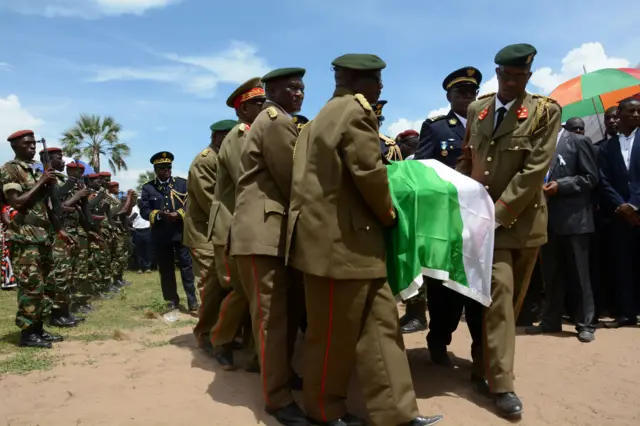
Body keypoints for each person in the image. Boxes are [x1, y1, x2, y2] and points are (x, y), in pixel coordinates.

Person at [287, 53, 443, 426]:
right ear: (358, 82)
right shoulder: (354, 113)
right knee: (332, 337)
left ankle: (397, 413)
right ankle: (324, 412)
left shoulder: (320, 118)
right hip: (339, 246)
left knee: (382, 330)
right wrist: (390, 214)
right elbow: (369, 174)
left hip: (354, 245)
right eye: (377, 80)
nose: (381, 87)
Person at [456, 43, 561, 418]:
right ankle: (502, 385)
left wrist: (499, 212)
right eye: (507, 75)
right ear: (497, 74)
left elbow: (535, 168)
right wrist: (467, 194)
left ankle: (482, 366)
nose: (513, 82)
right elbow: (468, 157)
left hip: (523, 222)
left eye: (521, 76)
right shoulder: (477, 109)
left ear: (528, 77)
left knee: (510, 306)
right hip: (487, 225)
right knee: (498, 297)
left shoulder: (545, 112)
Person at [230, 67, 307, 426]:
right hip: (262, 234)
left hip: (266, 233)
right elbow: (294, 179)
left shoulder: (271, 119)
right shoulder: (276, 121)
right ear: (272, 91)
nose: (299, 93)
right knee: (271, 320)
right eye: (291, 88)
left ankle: (280, 379)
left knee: (278, 316)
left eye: (301, 88)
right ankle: (277, 400)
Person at [208, 78, 265, 369]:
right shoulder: (239, 135)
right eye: (257, 103)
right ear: (242, 109)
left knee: (254, 294)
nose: (264, 106)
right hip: (231, 227)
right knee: (238, 290)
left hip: (246, 225)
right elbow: (248, 176)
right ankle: (220, 341)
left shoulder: (254, 133)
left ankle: (258, 355)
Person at [526, 117, 598, 342]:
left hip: (575, 220)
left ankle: (585, 324)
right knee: (551, 274)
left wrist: (561, 185)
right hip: (545, 221)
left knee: (579, 274)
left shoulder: (578, 141)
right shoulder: (534, 146)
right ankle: (550, 321)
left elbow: (590, 177)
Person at [1, 130, 67, 348]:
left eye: (33, 143)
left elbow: (48, 207)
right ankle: (28, 333)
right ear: (16, 147)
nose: (32, 147)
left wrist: (59, 230)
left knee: (46, 285)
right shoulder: (11, 169)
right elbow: (17, 202)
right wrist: (41, 182)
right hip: (25, 236)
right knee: (31, 286)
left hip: (42, 235)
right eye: (27, 144)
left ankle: (39, 328)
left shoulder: (36, 170)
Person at [185, 118, 235, 351]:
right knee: (208, 285)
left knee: (222, 285)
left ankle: (220, 333)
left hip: (219, 231)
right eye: (229, 136)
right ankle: (205, 336)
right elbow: (210, 202)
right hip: (203, 233)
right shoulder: (205, 161)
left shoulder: (224, 158)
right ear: (218, 137)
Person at [597, 96, 640, 328]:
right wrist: (621, 205)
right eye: (631, 111)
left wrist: (634, 204)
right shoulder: (606, 147)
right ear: (620, 114)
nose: (635, 115)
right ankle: (626, 313)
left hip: (637, 209)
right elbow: (602, 179)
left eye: (638, 112)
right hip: (619, 215)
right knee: (622, 264)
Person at [141, 152, 198, 312]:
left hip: (180, 232)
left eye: (169, 167)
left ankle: (192, 299)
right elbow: (144, 210)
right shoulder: (148, 188)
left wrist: (178, 214)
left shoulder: (181, 184)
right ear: (155, 169)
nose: (167, 170)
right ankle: (172, 299)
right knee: (166, 269)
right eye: (163, 168)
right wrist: (159, 214)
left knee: (186, 267)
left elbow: (191, 203)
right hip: (161, 235)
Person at [129, 199, 152, 273]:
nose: (140, 203)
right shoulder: (133, 209)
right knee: (138, 250)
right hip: (137, 231)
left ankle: (148, 267)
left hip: (147, 230)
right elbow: (129, 220)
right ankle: (140, 268)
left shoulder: (147, 208)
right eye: (138, 201)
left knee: (147, 250)